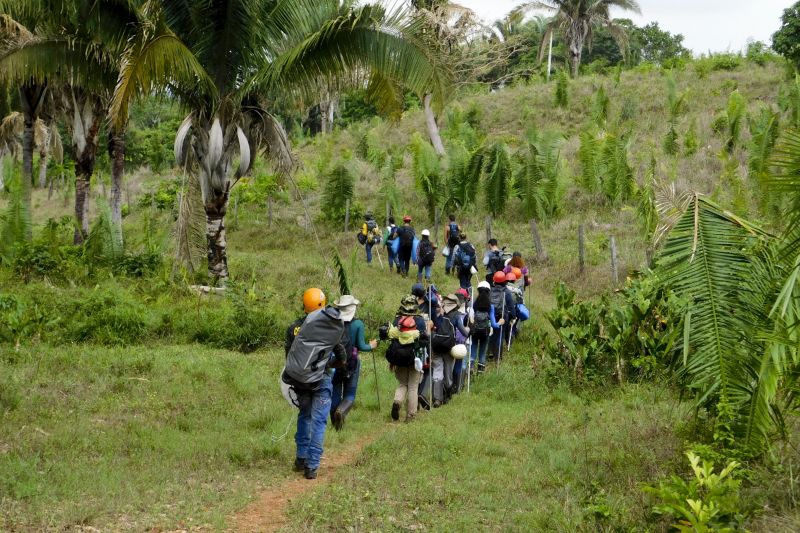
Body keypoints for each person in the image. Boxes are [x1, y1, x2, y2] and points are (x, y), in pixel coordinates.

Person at [283, 291, 348, 480]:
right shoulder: (332, 329)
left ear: (304, 306)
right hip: (321, 379)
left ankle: (300, 458)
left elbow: (290, 356)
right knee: (319, 421)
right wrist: (326, 364)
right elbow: (342, 358)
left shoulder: (295, 327)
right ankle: (311, 466)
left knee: (304, 415)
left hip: (300, 380)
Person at [330, 295, 378, 431]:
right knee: (350, 394)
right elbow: (362, 346)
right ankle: (341, 411)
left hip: (335, 361)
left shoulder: (333, 322)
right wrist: (372, 346)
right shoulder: (358, 324)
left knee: (335, 391)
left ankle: (335, 426)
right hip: (352, 361)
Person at [387, 295, 429, 422]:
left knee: (402, 383)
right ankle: (411, 415)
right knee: (413, 387)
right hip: (415, 358)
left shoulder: (397, 320)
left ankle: (397, 402)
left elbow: (392, 339)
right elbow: (424, 340)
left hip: (399, 357)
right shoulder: (420, 321)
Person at [470, 281, 503, 374]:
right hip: (485, 332)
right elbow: (494, 325)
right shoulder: (490, 307)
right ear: (489, 292)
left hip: (475, 331)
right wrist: (500, 322)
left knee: (473, 349)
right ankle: (480, 372)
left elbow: (470, 319)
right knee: (482, 352)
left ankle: (471, 367)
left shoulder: (474, 305)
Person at [441, 293, 470, 401]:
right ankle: (448, 392)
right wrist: (469, 330)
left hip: (437, 344)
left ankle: (438, 393)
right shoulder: (457, 316)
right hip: (450, 345)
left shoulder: (440, 313)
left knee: (439, 370)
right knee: (449, 370)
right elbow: (464, 332)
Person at [285, 288, 327, 354]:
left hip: (297, 363)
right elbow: (339, 351)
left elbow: (288, 353)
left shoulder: (293, 328)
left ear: (304, 306)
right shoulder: (328, 326)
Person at [488, 271, 516, 362]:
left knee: (491, 334)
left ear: (494, 280)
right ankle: (498, 357)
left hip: (491, 315)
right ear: (504, 281)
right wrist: (513, 316)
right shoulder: (506, 292)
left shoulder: (490, 290)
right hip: (502, 316)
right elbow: (511, 306)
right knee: (500, 335)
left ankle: (490, 353)